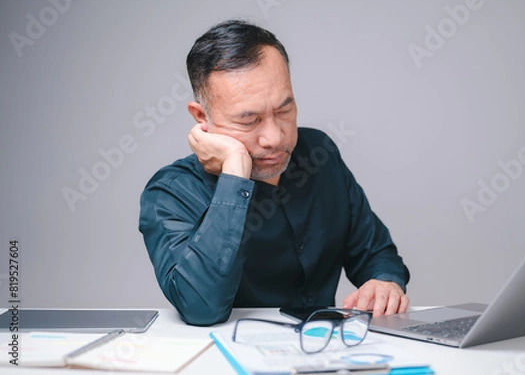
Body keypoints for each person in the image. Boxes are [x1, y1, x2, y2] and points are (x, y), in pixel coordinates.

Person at [139, 20, 410, 326]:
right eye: (249, 120)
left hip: (323, 354)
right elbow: (201, 308)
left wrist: (385, 282)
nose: (275, 138)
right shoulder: (170, 192)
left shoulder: (319, 152)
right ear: (202, 117)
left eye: (284, 111)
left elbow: (375, 252)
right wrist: (235, 176)